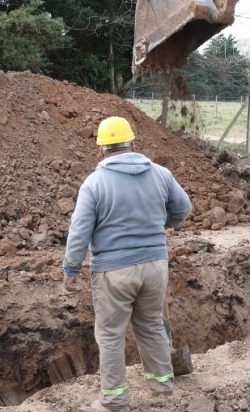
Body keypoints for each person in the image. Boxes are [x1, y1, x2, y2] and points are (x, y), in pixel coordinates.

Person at [62, 116, 192, 412]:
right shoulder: (160, 174)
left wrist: (71, 268)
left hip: (113, 270)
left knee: (110, 334)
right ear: (132, 142)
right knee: (151, 325)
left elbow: (80, 231)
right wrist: (161, 226)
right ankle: (162, 388)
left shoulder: (95, 183)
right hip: (155, 265)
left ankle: (115, 399)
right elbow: (183, 208)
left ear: (101, 150)